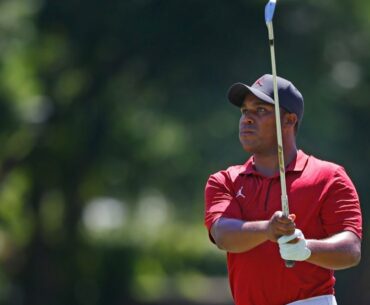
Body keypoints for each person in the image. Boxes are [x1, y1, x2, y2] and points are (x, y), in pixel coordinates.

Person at [204, 74, 362, 305]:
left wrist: (306, 248)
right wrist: (267, 229)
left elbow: (350, 249)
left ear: (289, 120)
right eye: (244, 111)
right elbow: (222, 235)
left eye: (260, 110)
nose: (247, 118)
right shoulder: (225, 180)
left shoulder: (329, 176)